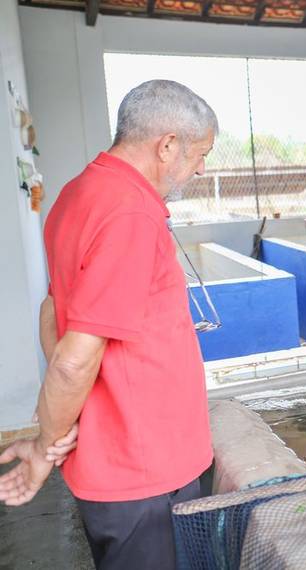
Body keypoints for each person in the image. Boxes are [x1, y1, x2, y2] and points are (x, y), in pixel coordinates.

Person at [0, 80, 217, 569]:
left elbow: (52, 312)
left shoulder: (78, 194)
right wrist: (43, 445)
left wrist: (64, 428)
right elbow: (76, 358)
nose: (201, 168)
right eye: (200, 153)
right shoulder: (131, 214)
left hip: (110, 465)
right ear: (167, 145)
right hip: (146, 471)